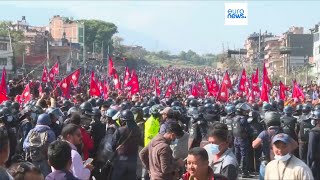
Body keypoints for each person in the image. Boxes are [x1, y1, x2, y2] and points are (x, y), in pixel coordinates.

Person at [110, 109, 143, 180]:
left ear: (123, 120)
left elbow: (113, 145)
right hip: (133, 160)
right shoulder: (138, 129)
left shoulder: (119, 130)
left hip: (121, 159)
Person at [232, 102, 251, 178]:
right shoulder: (243, 119)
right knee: (244, 155)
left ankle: (237, 170)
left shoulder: (234, 118)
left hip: (235, 138)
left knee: (237, 154)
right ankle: (244, 171)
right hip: (243, 139)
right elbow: (248, 130)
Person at [307, 110, 320, 179]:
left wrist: (308, 165)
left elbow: (311, 151)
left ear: (317, 120)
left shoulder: (313, 132)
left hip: (317, 163)